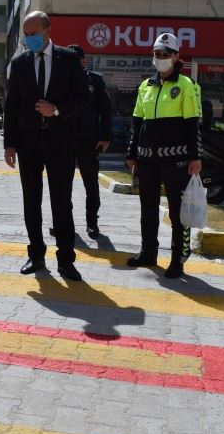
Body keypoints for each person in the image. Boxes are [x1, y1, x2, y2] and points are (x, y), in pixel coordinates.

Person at [3, 11, 90, 282]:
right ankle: (36, 255)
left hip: (60, 143)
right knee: (32, 201)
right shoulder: (19, 63)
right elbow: (11, 106)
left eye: (33, 34)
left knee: (61, 201)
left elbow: (84, 98)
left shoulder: (69, 59)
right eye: (26, 35)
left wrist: (56, 110)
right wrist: (10, 144)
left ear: (48, 31)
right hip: (29, 143)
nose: (29, 39)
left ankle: (66, 259)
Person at [125, 32, 202, 279]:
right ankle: (148, 253)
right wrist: (131, 153)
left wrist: (195, 156)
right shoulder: (145, 86)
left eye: (165, 54)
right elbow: (137, 122)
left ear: (176, 56)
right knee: (147, 208)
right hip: (147, 158)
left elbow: (193, 124)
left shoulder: (186, 85)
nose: (160, 59)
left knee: (177, 211)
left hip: (176, 159)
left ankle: (178, 259)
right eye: (157, 54)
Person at [66, 44, 112, 238]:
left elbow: (106, 111)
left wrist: (105, 137)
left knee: (91, 185)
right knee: (62, 186)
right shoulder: (58, 81)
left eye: (76, 59)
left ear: (83, 60)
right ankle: (62, 222)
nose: (73, 64)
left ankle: (92, 223)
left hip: (89, 141)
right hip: (64, 141)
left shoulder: (95, 80)